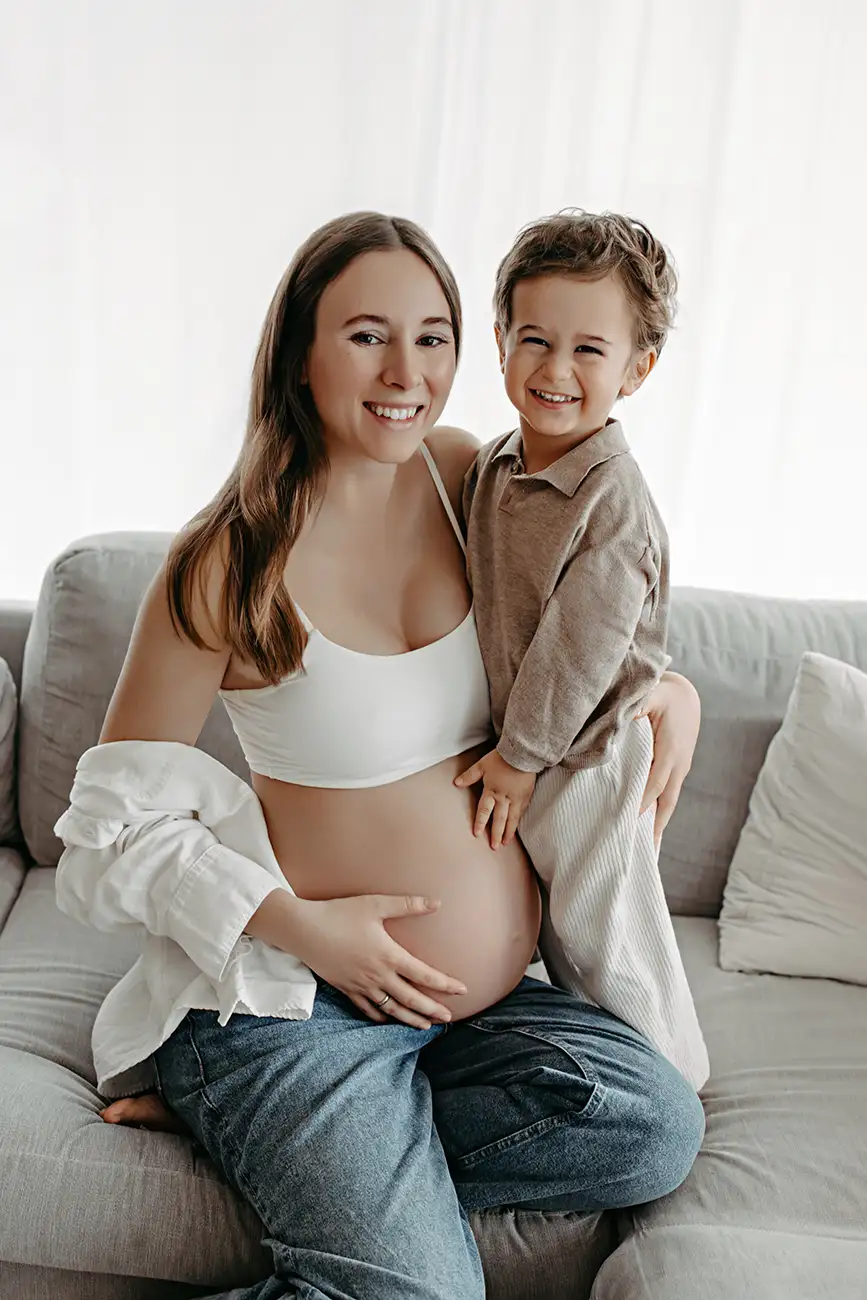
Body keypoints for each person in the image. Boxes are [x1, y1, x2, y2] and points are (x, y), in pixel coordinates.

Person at [56, 211, 705, 1300]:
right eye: (367, 336)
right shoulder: (226, 561)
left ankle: (288, 1146)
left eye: (433, 337)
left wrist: (670, 691)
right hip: (298, 1001)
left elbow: (585, 618)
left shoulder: (466, 481)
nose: (407, 373)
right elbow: (104, 840)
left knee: (651, 1124)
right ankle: (273, 1116)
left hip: (462, 1016)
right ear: (300, 353)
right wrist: (304, 927)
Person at [454, 211, 709, 1088]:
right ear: (499, 341)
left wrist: (520, 757)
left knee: (608, 937)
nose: (555, 370)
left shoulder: (611, 499)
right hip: (528, 752)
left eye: (588, 350)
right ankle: (595, 1074)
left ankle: (672, 1078)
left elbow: (578, 647)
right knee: (556, 939)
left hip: (587, 754)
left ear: (636, 369)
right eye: (534, 339)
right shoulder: (493, 468)